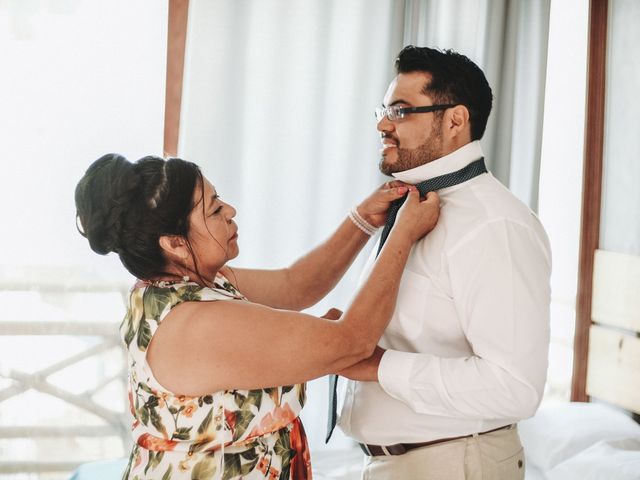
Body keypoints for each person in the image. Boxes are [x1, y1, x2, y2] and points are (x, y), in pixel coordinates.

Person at [74, 153, 440, 480]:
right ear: (174, 243)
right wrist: (403, 233)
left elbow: (295, 285)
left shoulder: (178, 286)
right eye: (214, 209)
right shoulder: (195, 325)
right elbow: (353, 341)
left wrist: (363, 219)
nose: (230, 210)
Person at [332, 46, 552, 480]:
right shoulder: (405, 208)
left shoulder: (495, 226)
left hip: (453, 466)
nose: (381, 123)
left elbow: (516, 388)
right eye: (383, 109)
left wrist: (377, 364)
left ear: (454, 120)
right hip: (396, 464)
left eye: (399, 111)